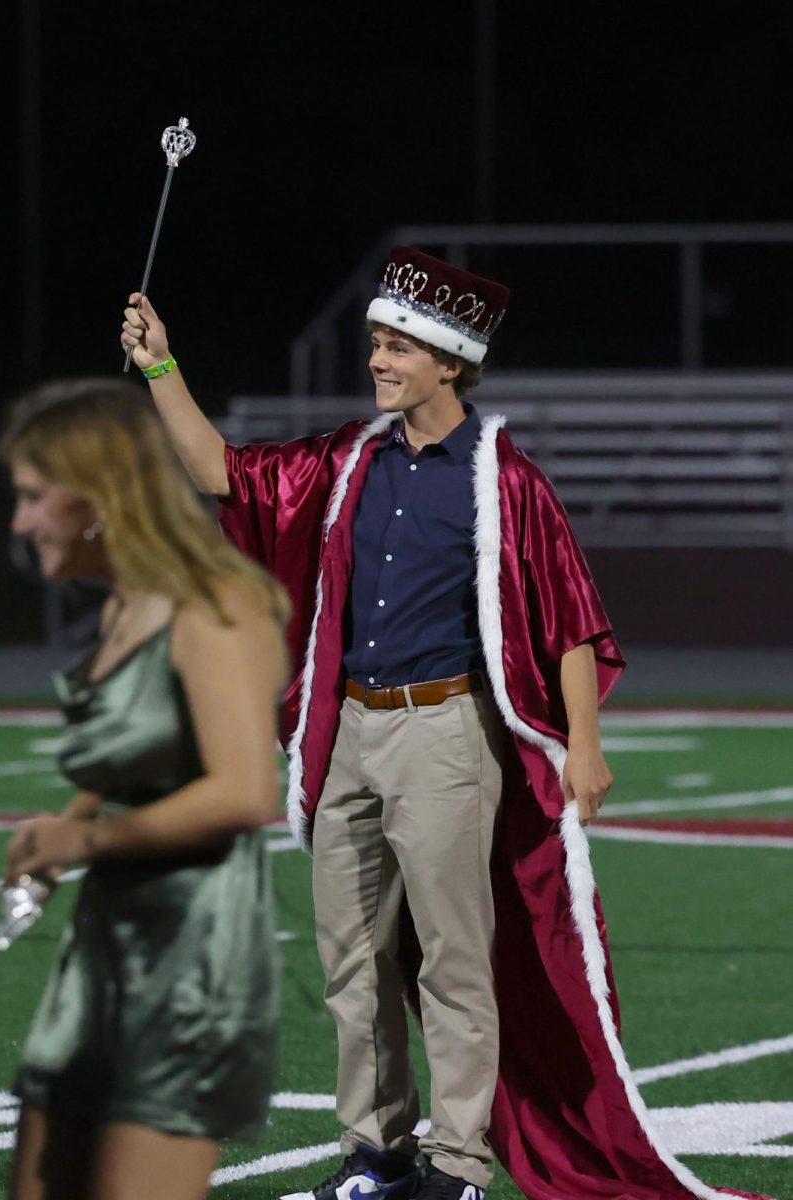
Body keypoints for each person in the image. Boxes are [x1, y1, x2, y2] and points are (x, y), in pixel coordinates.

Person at [121, 250, 766, 1200]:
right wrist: (162, 368)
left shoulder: (504, 481)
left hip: (447, 735)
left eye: (396, 347)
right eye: (376, 342)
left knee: (456, 962)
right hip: (348, 739)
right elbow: (222, 471)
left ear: (450, 362)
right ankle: (373, 1154)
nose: (377, 360)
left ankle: (459, 1165)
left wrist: (584, 745)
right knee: (353, 960)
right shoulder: (345, 461)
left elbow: (571, 622)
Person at [0, 377, 290, 1200]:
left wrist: (83, 840)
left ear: (98, 495)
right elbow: (144, 753)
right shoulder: (126, 602)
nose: (19, 524)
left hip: (192, 955)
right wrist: (66, 823)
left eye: (31, 497)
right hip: (106, 941)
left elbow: (242, 791)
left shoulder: (216, 604)